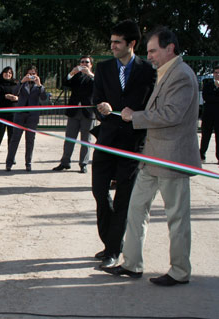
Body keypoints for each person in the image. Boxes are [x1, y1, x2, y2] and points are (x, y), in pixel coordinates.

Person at [103, 27, 201, 287]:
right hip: (151, 158)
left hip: (172, 159)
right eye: (148, 52)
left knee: (177, 218)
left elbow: (171, 115)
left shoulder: (181, 75)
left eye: (153, 51)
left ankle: (180, 271)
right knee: (136, 209)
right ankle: (132, 264)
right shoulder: (166, 73)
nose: (150, 57)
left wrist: (134, 116)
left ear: (170, 48)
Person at [91, 20, 156, 269]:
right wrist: (103, 109)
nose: (113, 46)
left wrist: (136, 114)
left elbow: (152, 106)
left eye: (118, 42)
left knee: (123, 200)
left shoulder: (148, 71)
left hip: (132, 143)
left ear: (132, 44)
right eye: (111, 41)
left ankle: (112, 249)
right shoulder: (104, 68)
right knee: (99, 191)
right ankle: (110, 241)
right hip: (106, 141)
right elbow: (96, 100)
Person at [52, 56, 95, 174]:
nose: (84, 64)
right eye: (82, 62)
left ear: (91, 64)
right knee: (69, 138)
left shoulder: (94, 77)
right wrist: (72, 73)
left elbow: (100, 86)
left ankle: (83, 164)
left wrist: (90, 74)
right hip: (74, 112)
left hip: (87, 112)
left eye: (87, 62)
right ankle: (65, 162)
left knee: (86, 140)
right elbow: (65, 83)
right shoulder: (76, 76)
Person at [5, 65, 46, 172]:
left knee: (30, 140)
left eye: (33, 74)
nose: (31, 76)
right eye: (29, 74)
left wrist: (39, 84)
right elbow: (14, 93)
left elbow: (44, 98)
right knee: (15, 139)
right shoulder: (22, 84)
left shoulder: (39, 86)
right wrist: (22, 82)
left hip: (32, 116)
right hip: (20, 115)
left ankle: (28, 163)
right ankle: (9, 162)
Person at [199, 65, 219, 162]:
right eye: (215, 72)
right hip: (208, 115)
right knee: (205, 136)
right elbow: (206, 97)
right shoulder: (208, 85)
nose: (217, 74)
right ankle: (202, 154)